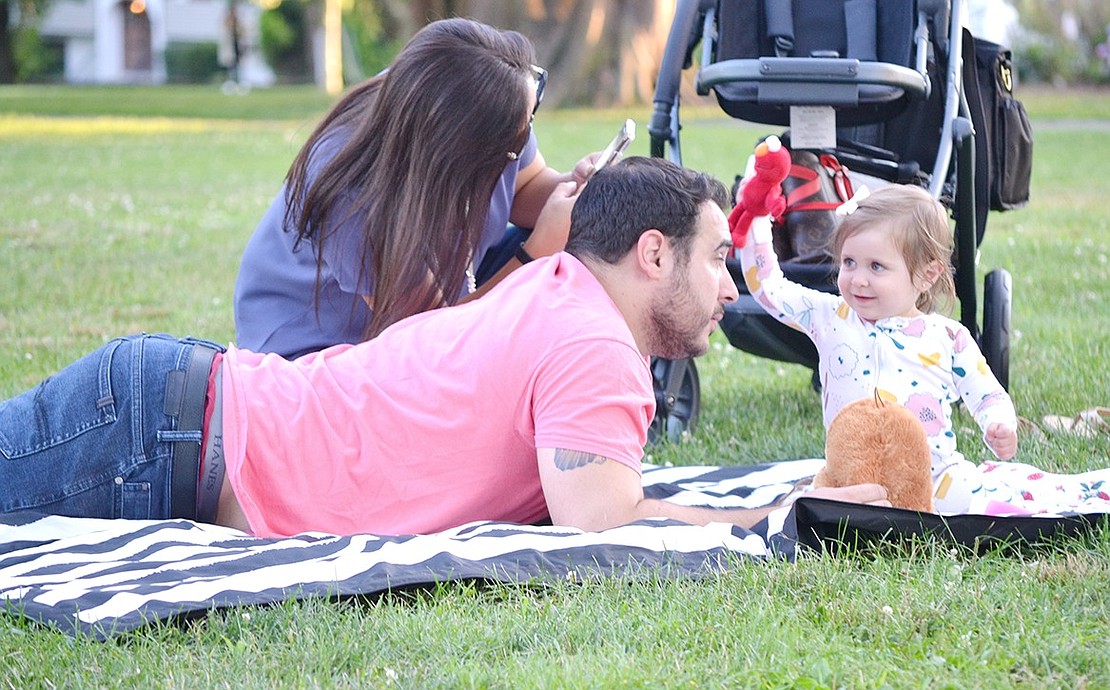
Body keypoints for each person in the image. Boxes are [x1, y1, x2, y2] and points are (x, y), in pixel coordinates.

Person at [0, 157, 889, 538]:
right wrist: (777, 519)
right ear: (652, 255)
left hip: (172, 414)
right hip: (163, 444)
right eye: (716, 261)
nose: (730, 290)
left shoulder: (553, 290)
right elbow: (604, 520)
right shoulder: (593, 345)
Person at [233, 17, 599, 359]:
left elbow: (527, 186)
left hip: (442, 305)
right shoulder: (354, 195)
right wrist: (533, 255)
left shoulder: (487, 102)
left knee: (583, 256)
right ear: (455, 152)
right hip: (319, 357)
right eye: (512, 141)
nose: (522, 140)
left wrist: (575, 189)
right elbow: (439, 344)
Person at [736, 182, 1018, 512]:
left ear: (927, 275)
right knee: (808, 509)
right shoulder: (831, 317)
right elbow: (768, 287)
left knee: (968, 500)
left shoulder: (947, 337)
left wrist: (999, 423)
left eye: (876, 267)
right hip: (850, 478)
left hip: (931, 478)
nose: (857, 279)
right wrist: (756, 218)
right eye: (849, 262)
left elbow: (986, 392)